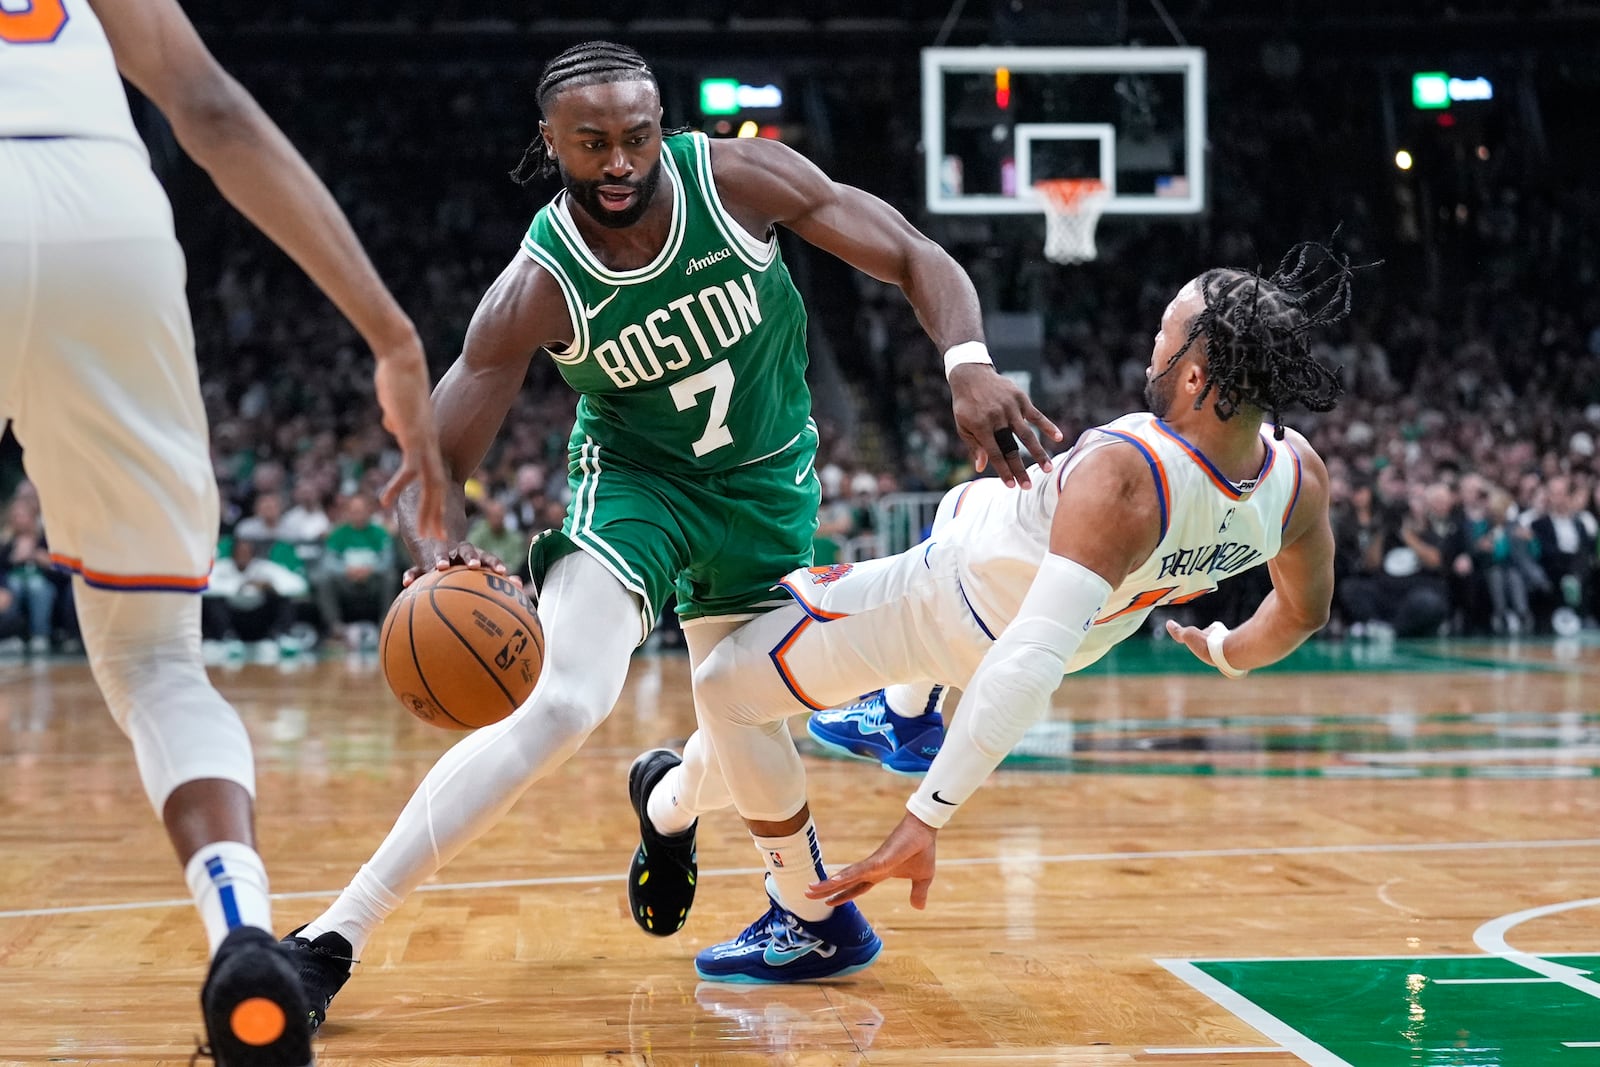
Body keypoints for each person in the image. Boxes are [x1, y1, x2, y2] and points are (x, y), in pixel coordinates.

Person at [282, 39, 1058, 1023]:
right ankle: (332, 935)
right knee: (564, 700)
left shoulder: (737, 179)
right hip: (636, 491)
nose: (617, 162)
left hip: (767, 491)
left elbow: (912, 251)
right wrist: (433, 551)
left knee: (747, 714)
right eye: (591, 143)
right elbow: (433, 459)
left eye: (636, 138)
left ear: (662, 130)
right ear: (551, 144)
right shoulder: (540, 282)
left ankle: (664, 807)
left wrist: (966, 363)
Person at [667, 243, 1355, 958]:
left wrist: (926, 814)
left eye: (1163, 333)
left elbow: (1027, 663)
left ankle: (807, 919)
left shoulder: (1129, 474)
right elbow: (1304, 611)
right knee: (974, 505)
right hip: (1063, 620)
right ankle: (901, 716)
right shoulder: (1296, 475)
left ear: (1192, 373)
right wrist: (1223, 649)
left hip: (947, 611)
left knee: (727, 690)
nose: (1150, 347)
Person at [0, 1, 449, 1063]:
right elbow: (210, 107)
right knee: (156, 661)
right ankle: (242, 929)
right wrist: (390, 333)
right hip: (103, 217)